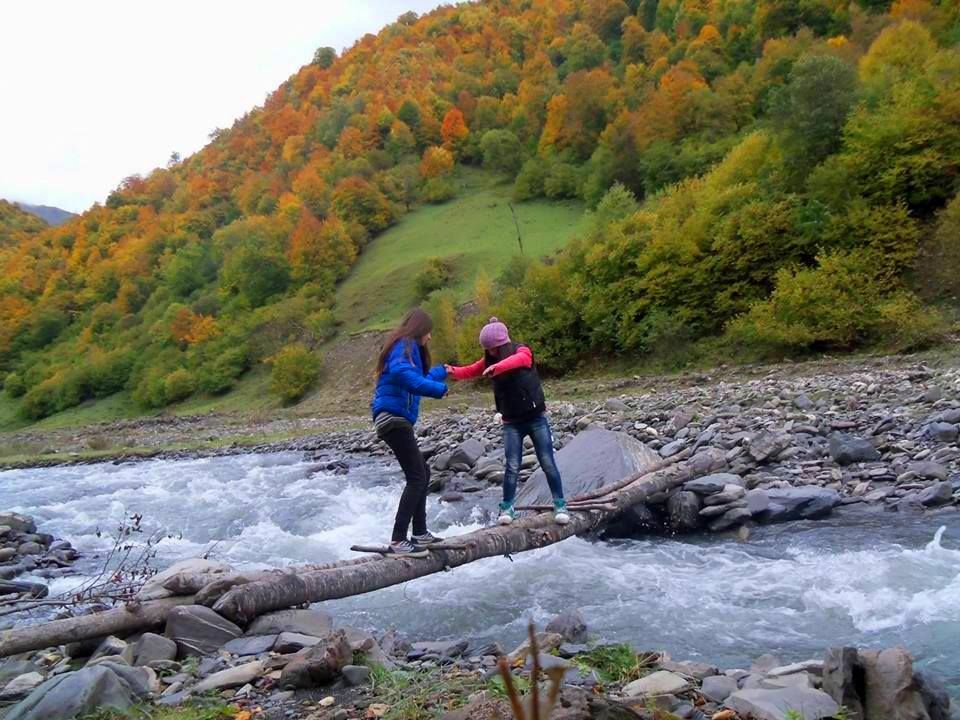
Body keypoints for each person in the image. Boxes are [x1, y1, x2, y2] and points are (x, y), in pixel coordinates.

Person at [445, 317, 569, 526]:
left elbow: (519, 361)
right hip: (511, 422)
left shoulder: (522, 351)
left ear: (502, 345)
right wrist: (451, 371)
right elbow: (469, 371)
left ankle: (560, 504)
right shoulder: (489, 361)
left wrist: (499, 367)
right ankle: (508, 507)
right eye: (488, 350)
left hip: (536, 418)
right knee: (512, 465)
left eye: (493, 349)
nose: (491, 353)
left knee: (547, 461)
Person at [371, 308, 449, 556]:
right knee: (417, 476)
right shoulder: (404, 345)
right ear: (420, 329)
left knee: (422, 472)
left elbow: (418, 376)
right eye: (429, 332)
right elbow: (405, 376)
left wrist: (443, 371)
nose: (430, 337)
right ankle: (398, 540)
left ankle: (420, 533)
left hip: (394, 418)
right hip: (393, 418)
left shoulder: (407, 348)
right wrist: (438, 389)